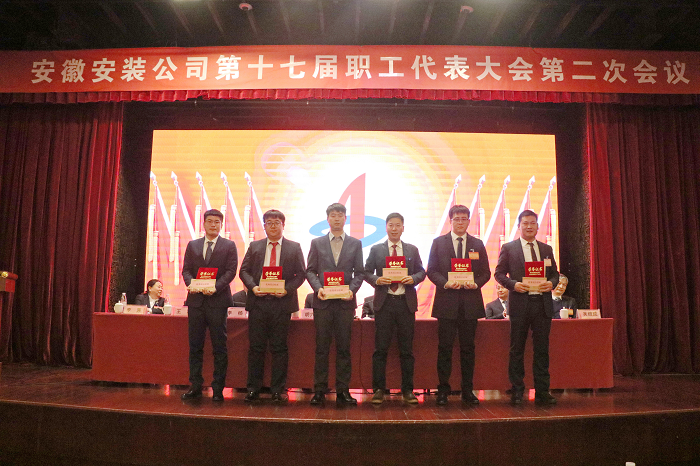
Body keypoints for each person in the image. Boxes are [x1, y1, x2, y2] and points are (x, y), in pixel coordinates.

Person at [239, 209, 306, 403]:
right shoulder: (255, 246)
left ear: (283, 225)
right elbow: (244, 271)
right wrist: (253, 287)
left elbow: (301, 274)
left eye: (277, 223)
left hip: (282, 304)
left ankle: (278, 390)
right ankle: (253, 389)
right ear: (264, 226)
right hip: (258, 303)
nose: (273, 226)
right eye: (269, 223)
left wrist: (287, 289)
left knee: (279, 348)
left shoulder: (294, 247)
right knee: (256, 348)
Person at [427, 205, 490, 406]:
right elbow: (431, 271)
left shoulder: (477, 244)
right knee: (444, 349)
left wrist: (476, 283)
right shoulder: (439, 243)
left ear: (469, 221)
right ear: (450, 221)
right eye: (457, 219)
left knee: (468, 349)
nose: (460, 222)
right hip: (446, 303)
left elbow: (486, 273)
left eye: (464, 219)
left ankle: (467, 390)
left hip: (470, 304)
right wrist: (445, 283)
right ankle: (443, 390)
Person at [495, 209, 559, 406]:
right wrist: (513, 285)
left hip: (542, 305)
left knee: (542, 350)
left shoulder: (546, 249)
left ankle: (542, 391)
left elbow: (555, 274)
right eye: (525, 223)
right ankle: (517, 391)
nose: (529, 226)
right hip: (520, 305)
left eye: (533, 223)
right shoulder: (509, 248)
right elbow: (499, 274)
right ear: (519, 226)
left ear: (538, 226)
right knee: (517, 349)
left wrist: (551, 283)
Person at [364, 213, 426, 404]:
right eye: (391, 225)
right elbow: (366, 272)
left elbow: (422, 272)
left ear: (403, 228)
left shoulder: (412, 250)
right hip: (384, 304)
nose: (394, 228)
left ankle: (408, 390)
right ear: (386, 227)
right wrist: (377, 280)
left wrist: (413, 279)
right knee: (380, 350)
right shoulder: (376, 249)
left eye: (397, 225)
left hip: (405, 304)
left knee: (406, 350)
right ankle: (378, 390)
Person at [306, 203, 365, 405]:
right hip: (323, 303)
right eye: (333, 215)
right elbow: (310, 270)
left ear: (345, 219)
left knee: (344, 349)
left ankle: (343, 391)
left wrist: (352, 290)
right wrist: (318, 288)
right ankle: (319, 390)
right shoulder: (317, 243)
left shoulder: (355, 244)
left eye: (340, 215)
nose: (337, 218)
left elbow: (360, 273)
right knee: (321, 348)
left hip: (344, 304)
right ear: (328, 219)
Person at [181, 209, 238, 402]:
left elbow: (231, 271)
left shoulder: (229, 245)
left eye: (217, 222)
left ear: (221, 225)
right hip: (196, 302)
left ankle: (218, 388)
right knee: (195, 346)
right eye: (210, 221)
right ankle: (195, 386)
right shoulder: (193, 245)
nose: (213, 225)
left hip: (218, 301)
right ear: (204, 224)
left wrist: (215, 287)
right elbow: (186, 270)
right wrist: (192, 284)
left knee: (219, 347)